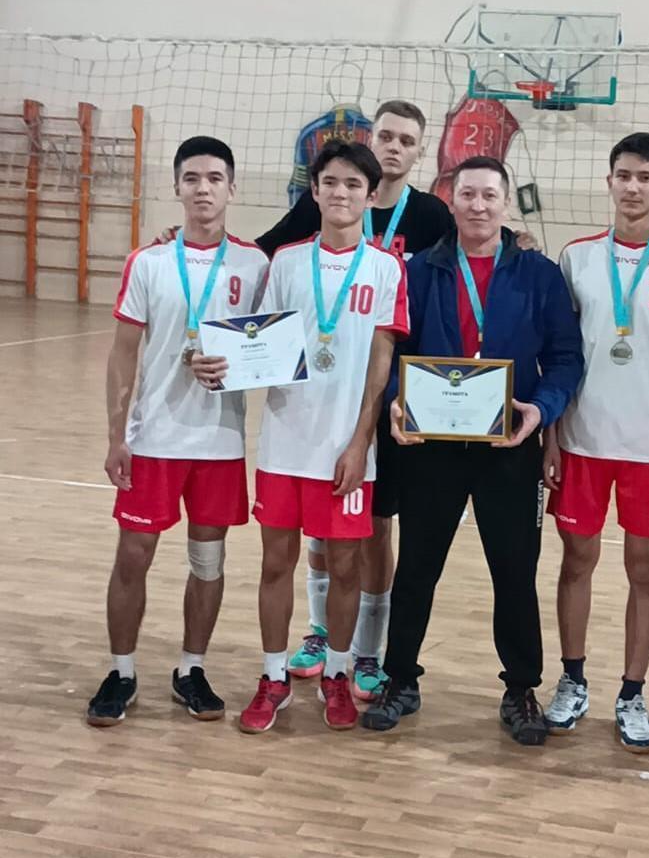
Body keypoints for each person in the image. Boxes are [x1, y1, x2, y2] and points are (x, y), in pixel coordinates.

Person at [361, 155, 584, 746]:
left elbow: (566, 357)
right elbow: (391, 351)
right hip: (430, 445)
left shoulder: (539, 274)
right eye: (467, 195)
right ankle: (400, 679)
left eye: (489, 195)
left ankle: (521, 688)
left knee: (514, 573)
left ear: (505, 203)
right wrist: (395, 404)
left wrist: (541, 410)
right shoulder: (417, 270)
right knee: (416, 568)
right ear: (450, 199)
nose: (478, 205)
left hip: (509, 444)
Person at [197, 140, 408, 732]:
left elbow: (381, 363)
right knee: (276, 564)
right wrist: (219, 362)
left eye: (353, 185)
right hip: (284, 444)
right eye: (331, 182)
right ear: (313, 191)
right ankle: (273, 678)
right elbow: (258, 344)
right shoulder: (285, 262)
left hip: (346, 449)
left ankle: (337, 673)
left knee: (345, 567)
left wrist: (361, 441)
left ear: (371, 195)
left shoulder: (386, 268)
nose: (341, 193)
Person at [259, 100, 451, 698]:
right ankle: (321, 635)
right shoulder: (310, 222)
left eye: (407, 140)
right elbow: (259, 258)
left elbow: (461, 268)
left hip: (390, 405)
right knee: (320, 538)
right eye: (386, 136)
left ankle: (365, 650)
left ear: (419, 151)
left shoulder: (432, 215)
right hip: (309, 418)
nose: (395, 147)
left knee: (374, 530)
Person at [87, 136, 268, 726]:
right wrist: (117, 435)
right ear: (176, 187)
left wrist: (233, 366)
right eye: (192, 178)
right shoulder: (149, 262)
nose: (203, 189)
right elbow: (123, 352)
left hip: (219, 443)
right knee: (132, 556)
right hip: (154, 439)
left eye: (214, 178)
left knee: (208, 562)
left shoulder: (255, 265)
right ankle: (121, 672)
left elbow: (270, 347)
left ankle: (192, 669)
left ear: (232, 189)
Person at [542, 133, 649, 751]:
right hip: (582, 440)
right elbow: (558, 355)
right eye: (623, 175)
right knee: (576, 562)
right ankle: (573, 679)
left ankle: (633, 692)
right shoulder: (576, 258)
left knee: (645, 568)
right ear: (608, 181)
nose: (632, 187)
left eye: (645, 177)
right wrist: (552, 438)